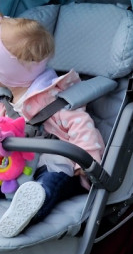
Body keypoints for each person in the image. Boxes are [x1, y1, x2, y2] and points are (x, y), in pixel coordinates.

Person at [0, 16, 105, 238]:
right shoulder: (5, 100)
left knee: (51, 182)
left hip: (53, 162)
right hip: (14, 166)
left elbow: (82, 126)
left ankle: (30, 208)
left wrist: (87, 162)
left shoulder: (53, 98)